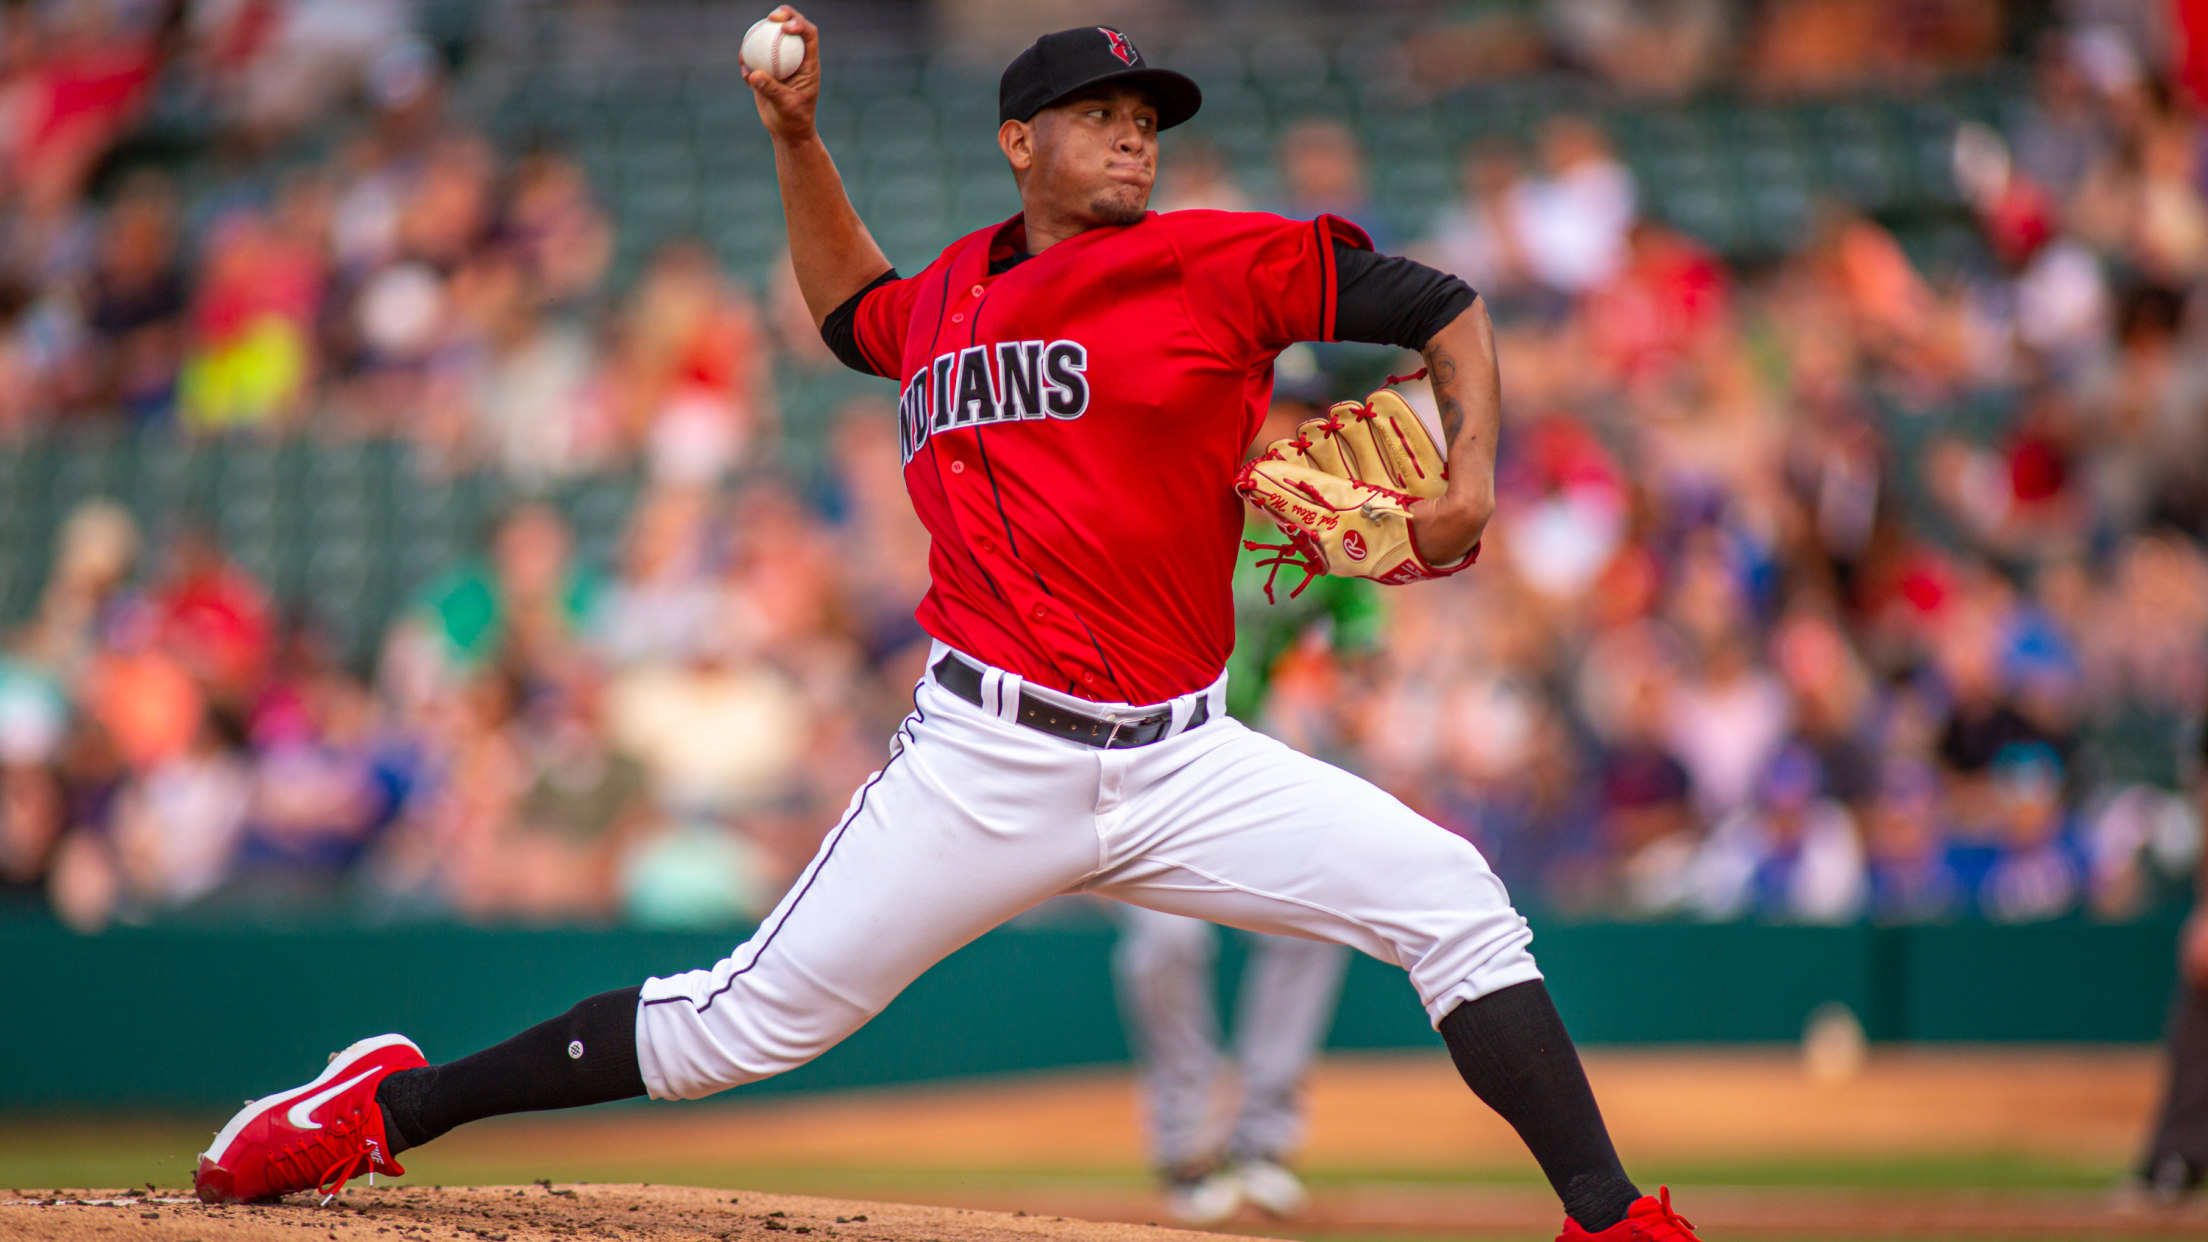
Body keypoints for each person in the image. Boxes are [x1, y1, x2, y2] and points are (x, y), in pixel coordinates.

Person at [193, 15, 1705, 1241]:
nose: (1135, 136)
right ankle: (387, 1107)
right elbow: (849, 308)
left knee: (1451, 896)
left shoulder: (1216, 264)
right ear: (1018, 142)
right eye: (1101, 114)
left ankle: (1611, 1218)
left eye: (1147, 118)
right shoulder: (946, 301)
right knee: (731, 1034)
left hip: (1186, 757)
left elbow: (1443, 303)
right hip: (987, 758)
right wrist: (796, 140)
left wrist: (1470, 475)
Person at [1114, 403, 1373, 1225]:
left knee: (1311, 920)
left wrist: (1345, 684)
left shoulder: (1316, 525)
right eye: (1272, 407)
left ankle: (1262, 1140)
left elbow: (1361, 636)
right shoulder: (1178, 492)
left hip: (1241, 742)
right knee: (1166, 944)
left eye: (1301, 413)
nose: (1284, 429)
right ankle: (1186, 1145)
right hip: (1142, 743)